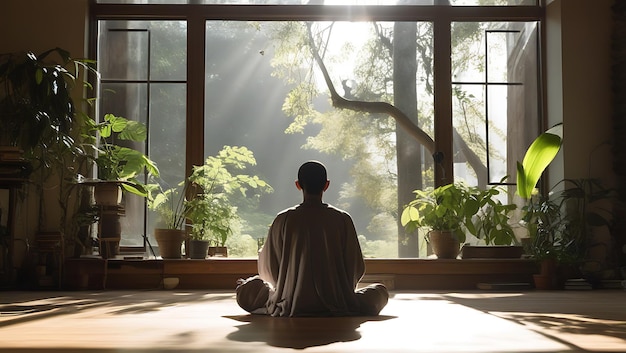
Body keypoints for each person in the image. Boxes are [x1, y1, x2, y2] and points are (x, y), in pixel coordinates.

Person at [235, 161, 389, 317]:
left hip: (289, 300)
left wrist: (286, 285)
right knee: (379, 292)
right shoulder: (342, 218)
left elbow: (268, 269)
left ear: (298, 185)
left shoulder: (284, 219)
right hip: (338, 300)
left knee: (246, 290)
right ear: (326, 185)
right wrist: (340, 289)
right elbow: (356, 267)